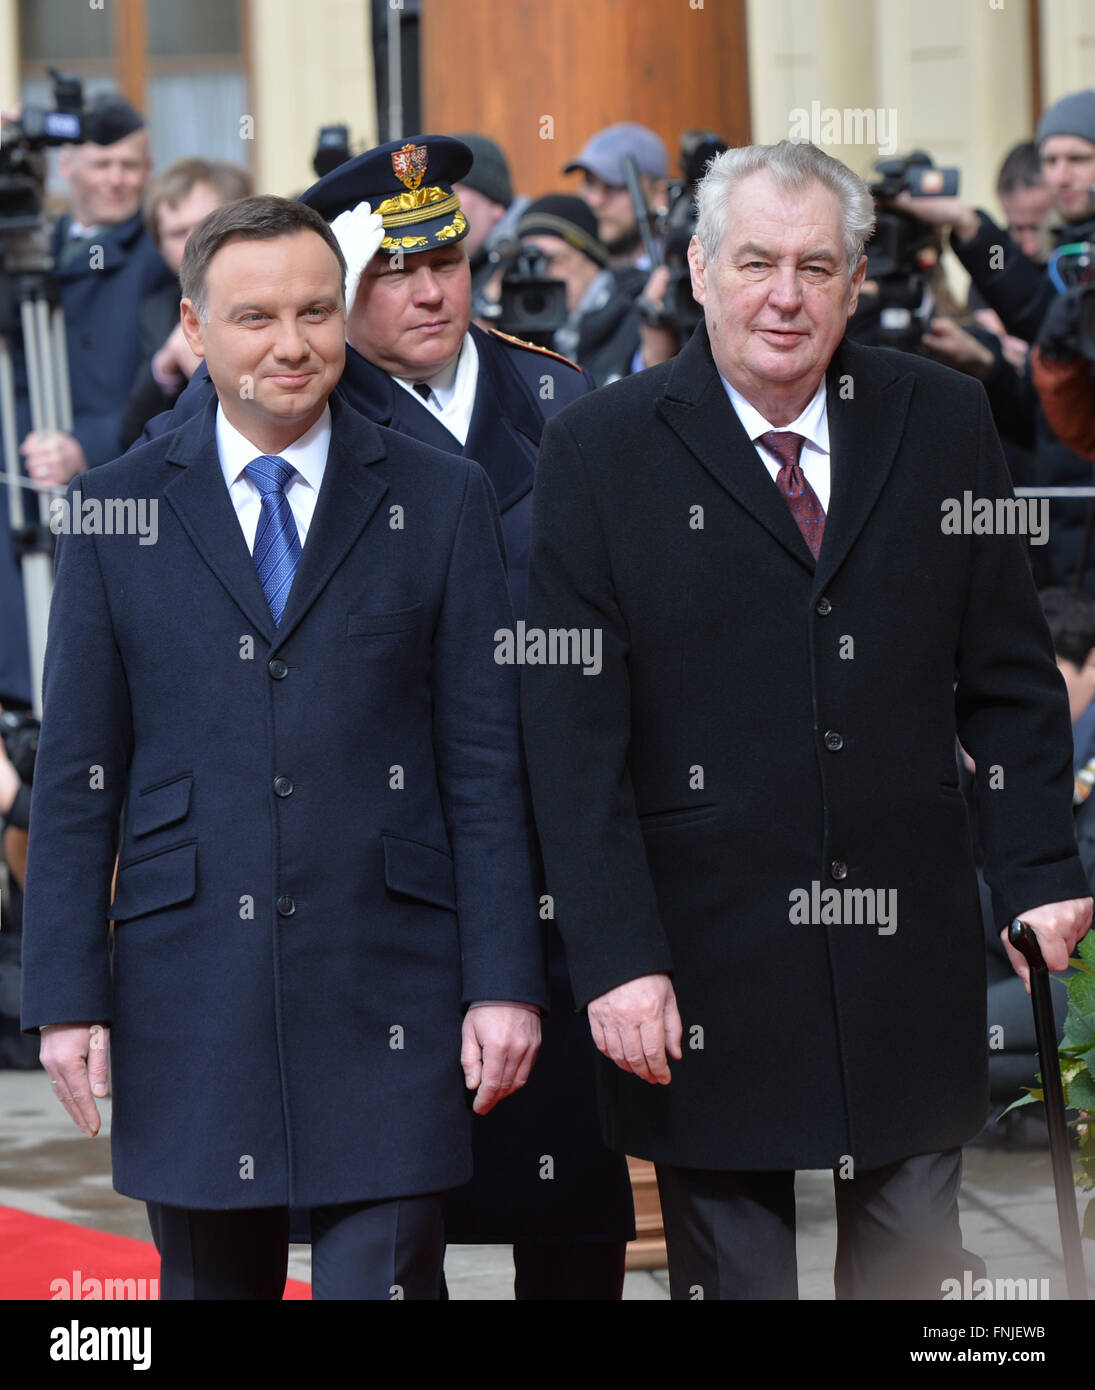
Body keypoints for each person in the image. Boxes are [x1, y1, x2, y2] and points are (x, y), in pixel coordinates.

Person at [520, 139, 1093, 1301]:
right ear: (697, 268)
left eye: (817, 265)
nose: (785, 295)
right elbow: (571, 740)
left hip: (909, 947)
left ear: (854, 276)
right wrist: (618, 957)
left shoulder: (943, 420)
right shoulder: (600, 448)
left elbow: (1011, 680)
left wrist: (1037, 868)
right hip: (703, 965)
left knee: (917, 1284)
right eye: (758, 262)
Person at [20, 195, 546, 1300]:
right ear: (196, 328)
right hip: (190, 985)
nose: (292, 343)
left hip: (391, 980)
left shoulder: (439, 497)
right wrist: (66, 996)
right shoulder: (115, 512)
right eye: (255, 316)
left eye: (316, 310)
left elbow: (485, 764)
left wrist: (505, 982)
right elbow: (75, 779)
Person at [897, 91, 1095, 591]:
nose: (1061, 176)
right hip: (1063, 523)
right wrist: (987, 364)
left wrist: (969, 225)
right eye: (1052, 160)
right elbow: (1043, 336)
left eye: (1079, 159)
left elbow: (1039, 317)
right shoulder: (1072, 249)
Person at [16, 94, 175, 486]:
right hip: (26, 472)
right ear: (66, 167)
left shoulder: (162, 254)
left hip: (123, 474)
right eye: (102, 164)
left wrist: (87, 445)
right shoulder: (29, 249)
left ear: (149, 168)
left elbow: (165, 382)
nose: (116, 180)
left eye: (129, 165)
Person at [120, 156, 253, 446]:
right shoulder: (157, 311)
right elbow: (131, 436)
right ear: (159, 246)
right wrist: (163, 367)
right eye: (178, 233)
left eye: (206, 224)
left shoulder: (281, 297)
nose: (194, 243)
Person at [516, 194, 641, 385]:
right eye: (528, 263)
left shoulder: (633, 315)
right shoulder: (520, 330)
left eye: (550, 260)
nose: (540, 275)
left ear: (590, 259)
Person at [565, 122, 668, 270]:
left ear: (659, 195)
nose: (596, 201)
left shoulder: (689, 276)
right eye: (589, 183)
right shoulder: (574, 274)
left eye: (616, 187)